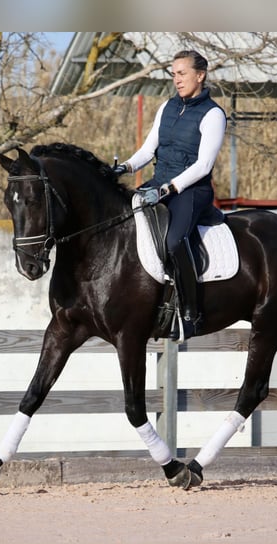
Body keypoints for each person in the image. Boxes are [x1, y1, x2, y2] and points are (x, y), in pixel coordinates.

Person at [113, 49, 226, 337]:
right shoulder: (166, 107)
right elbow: (148, 150)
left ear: (200, 75)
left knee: (175, 240)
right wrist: (124, 167)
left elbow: (204, 165)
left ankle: (190, 310)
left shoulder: (213, 114)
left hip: (191, 190)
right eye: (173, 74)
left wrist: (171, 187)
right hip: (158, 184)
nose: (176, 79)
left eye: (182, 73)